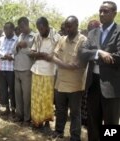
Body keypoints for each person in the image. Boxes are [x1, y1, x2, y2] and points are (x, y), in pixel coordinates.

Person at [79, 1, 120, 141]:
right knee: (93, 122)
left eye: (106, 11)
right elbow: (82, 52)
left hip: (112, 86)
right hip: (93, 83)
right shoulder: (92, 33)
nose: (102, 14)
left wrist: (94, 55)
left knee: (111, 124)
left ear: (114, 13)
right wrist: (99, 53)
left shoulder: (119, 32)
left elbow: (118, 58)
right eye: (100, 10)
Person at [52, 16, 87, 141]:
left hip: (75, 85)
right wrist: (67, 65)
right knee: (60, 110)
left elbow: (78, 64)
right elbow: (54, 56)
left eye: (70, 26)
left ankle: (75, 137)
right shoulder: (62, 39)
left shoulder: (83, 41)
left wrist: (61, 64)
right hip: (60, 82)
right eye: (66, 26)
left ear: (77, 25)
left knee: (74, 113)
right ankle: (58, 131)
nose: (67, 28)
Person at [30, 17, 60, 130]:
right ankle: (37, 121)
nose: (40, 31)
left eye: (41, 29)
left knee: (47, 98)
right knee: (36, 97)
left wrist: (42, 55)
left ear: (47, 26)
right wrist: (41, 55)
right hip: (36, 70)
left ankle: (46, 122)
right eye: (38, 29)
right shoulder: (37, 36)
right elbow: (31, 53)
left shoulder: (56, 37)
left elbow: (54, 56)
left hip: (49, 72)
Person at [14, 17, 35, 124]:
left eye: (22, 26)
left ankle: (27, 118)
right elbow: (14, 51)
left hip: (27, 69)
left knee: (26, 96)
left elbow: (34, 53)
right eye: (19, 27)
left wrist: (25, 47)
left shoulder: (34, 36)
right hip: (17, 68)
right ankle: (19, 115)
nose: (21, 29)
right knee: (18, 94)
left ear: (27, 24)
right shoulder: (20, 36)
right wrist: (17, 46)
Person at [80, 20, 100, 127]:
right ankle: (85, 119)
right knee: (85, 96)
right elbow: (83, 53)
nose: (91, 30)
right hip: (86, 73)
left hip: (98, 76)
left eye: (93, 28)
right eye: (89, 28)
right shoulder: (87, 40)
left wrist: (93, 54)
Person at [0, 22, 18, 115]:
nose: (6, 30)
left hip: (11, 69)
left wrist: (11, 56)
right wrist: (4, 55)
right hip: (2, 68)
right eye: (5, 28)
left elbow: (17, 53)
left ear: (12, 29)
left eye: (8, 28)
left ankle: (13, 109)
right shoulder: (1, 39)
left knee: (12, 90)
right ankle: (6, 108)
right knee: (3, 89)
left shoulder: (17, 40)